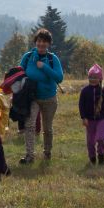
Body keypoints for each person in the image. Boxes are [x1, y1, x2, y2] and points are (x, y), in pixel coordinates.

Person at [18, 28, 64, 164]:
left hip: (49, 98)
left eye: (44, 42)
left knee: (47, 128)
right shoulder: (27, 57)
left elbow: (59, 78)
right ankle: (29, 156)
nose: (41, 44)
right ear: (35, 42)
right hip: (32, 98)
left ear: (48, 44)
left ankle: (47, 152)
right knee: (29, 125)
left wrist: (43, 67)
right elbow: (19, 75)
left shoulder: (52, 59)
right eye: (39, 41)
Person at [79, 64, 104, 165]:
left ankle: (101, 155)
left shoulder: (103, 91)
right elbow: (81, 105)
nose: (92, 79)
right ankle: (92, 157)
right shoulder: (85, 91)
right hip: (89, 120)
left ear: (100, 79)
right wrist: (83, 117)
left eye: (95, 77)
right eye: (90, 77)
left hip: (101, 119)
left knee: (101, 138)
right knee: (90, 141)